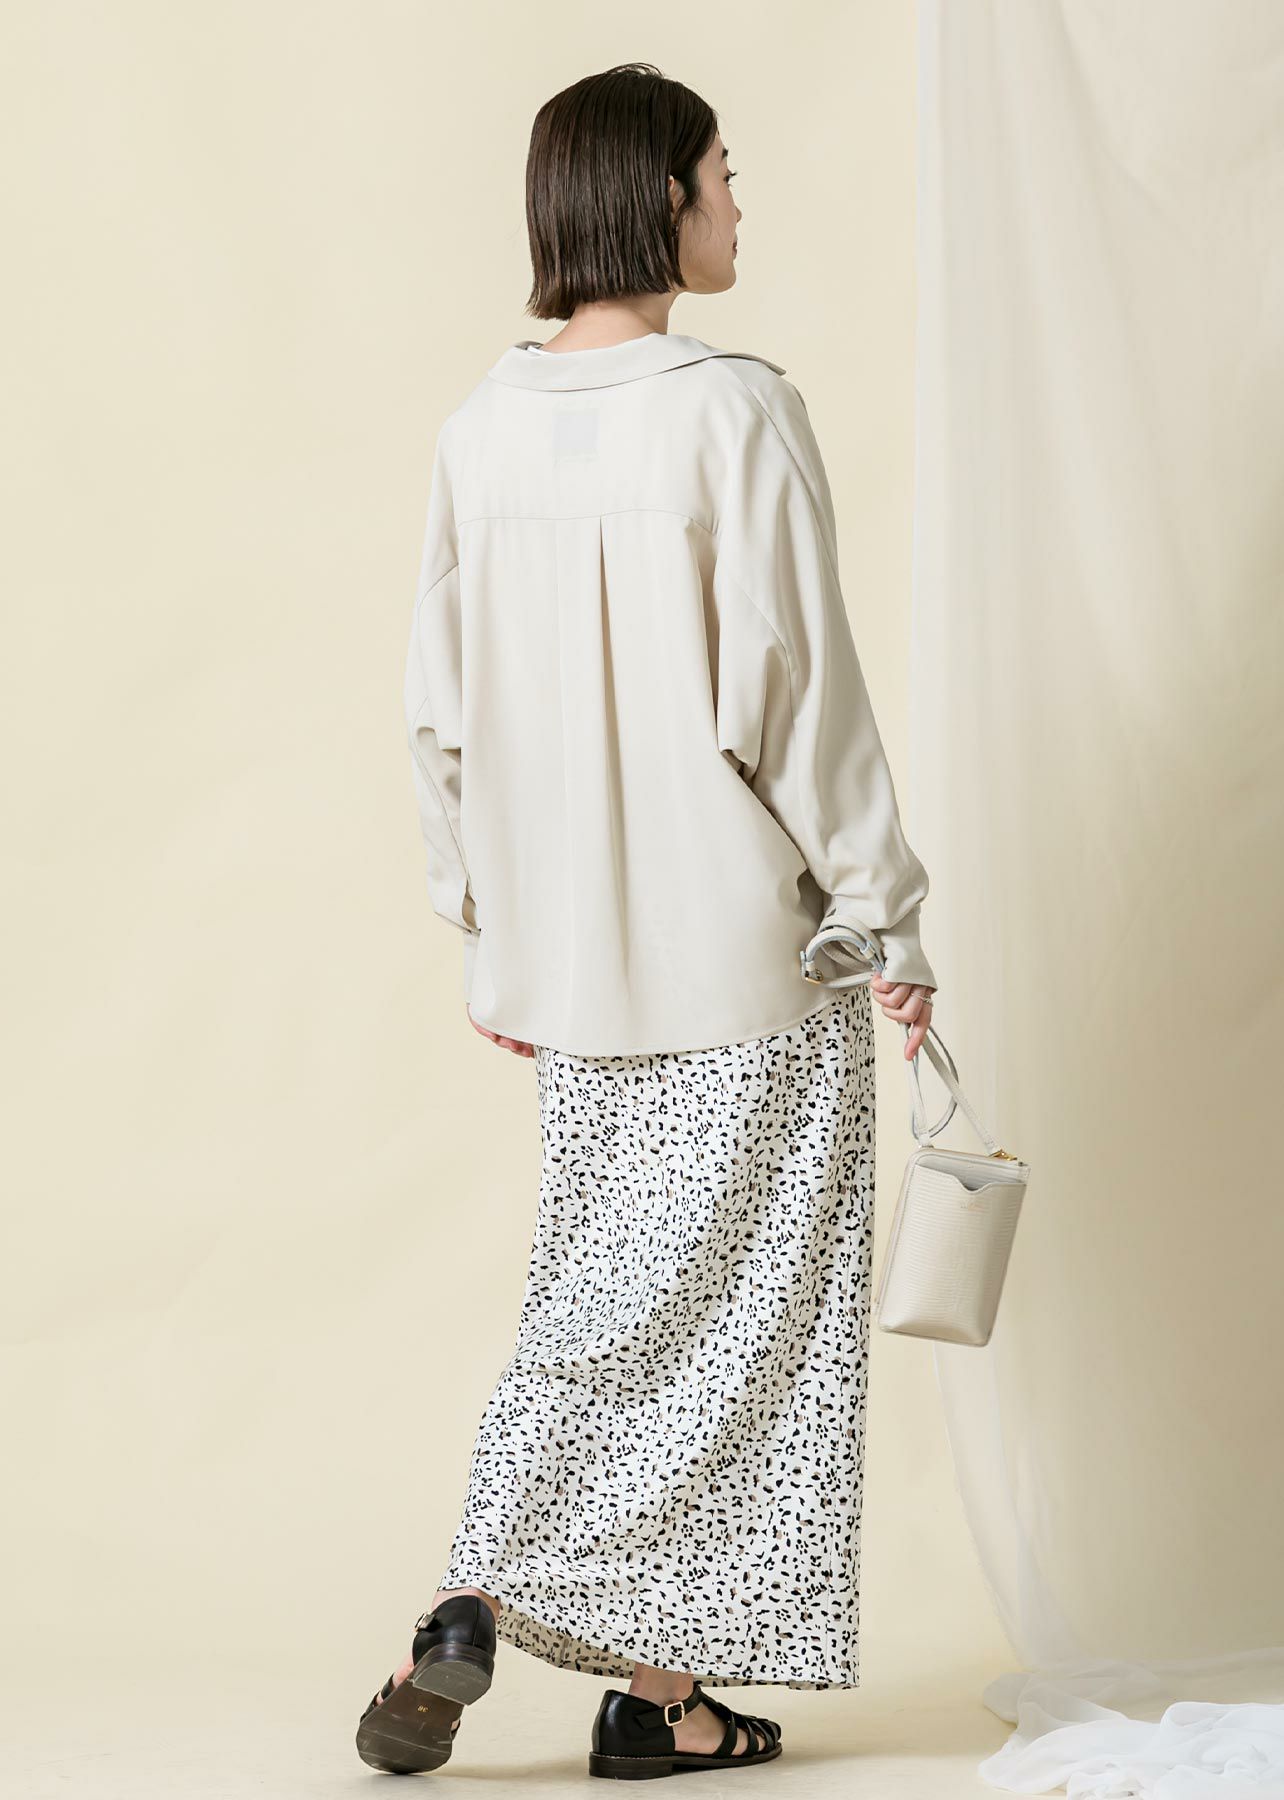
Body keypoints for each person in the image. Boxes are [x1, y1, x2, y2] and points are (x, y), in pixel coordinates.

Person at [358, 60, 939, 1783]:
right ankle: (493, 1587)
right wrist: (887, 916)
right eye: (722, 175)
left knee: (613, 1298)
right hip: (748, 959)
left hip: (571, 969)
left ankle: (644, 1695)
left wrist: (482, 921)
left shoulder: (480, 426)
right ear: (659, 200)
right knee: (741, 1340)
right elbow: (801, 698)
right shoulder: (733, 412)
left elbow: (437, 715)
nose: (741, 204)